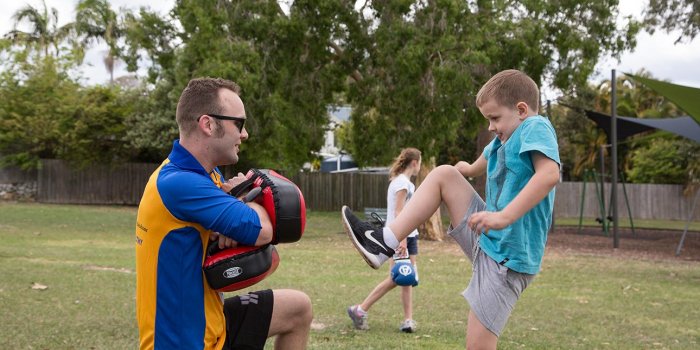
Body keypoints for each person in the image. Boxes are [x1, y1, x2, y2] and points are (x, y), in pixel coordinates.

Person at [341, 69, 560, 349]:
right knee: (444, 175)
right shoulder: (503, 139)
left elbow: (548, 175)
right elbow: (481, 161)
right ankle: (382, 241)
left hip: (508, 259)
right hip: (488, 238)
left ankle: (383, 241)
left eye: (494, 118)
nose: (491, 126)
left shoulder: (534, 126)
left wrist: (505, 216)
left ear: (521, 109)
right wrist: (466, 169)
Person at [135, 78, 312, 350]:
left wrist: (234, 214)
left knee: (297, 308)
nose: (245, 134)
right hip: (184, 343)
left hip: (212, 326)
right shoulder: (179, 183)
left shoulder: (206, 176)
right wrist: (246, 205)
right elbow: (263, 230)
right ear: (208, 124)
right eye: (239, 124)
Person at [347, 147, 422, 333]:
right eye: (420, 162)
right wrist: (402, 239)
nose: (420, 166)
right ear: (415, 163)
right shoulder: (402, 183)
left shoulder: (405, 182)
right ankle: (360, 310)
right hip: (399, 236)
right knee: (397, 277)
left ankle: (407, 320)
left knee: (407, 278)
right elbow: (399, 212)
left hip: (410, 235)